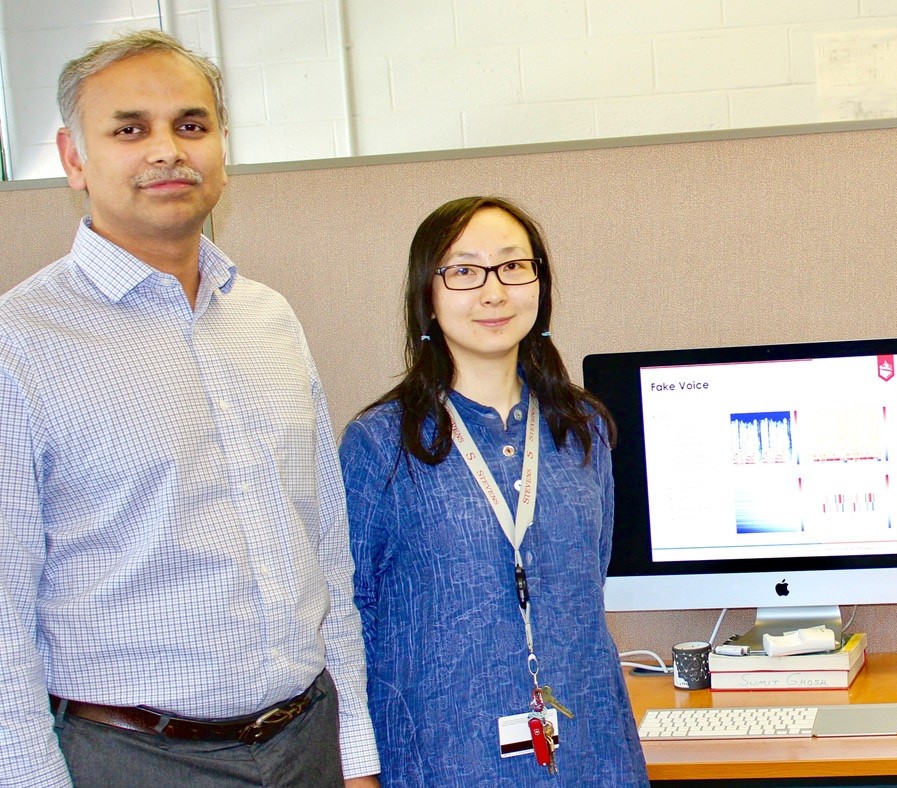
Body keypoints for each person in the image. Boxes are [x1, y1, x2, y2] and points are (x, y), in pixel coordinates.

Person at [0, 30, 379, 787]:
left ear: (222, 148)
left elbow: (326, 555)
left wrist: (355, 752)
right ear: (73, 159)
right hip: (134, 759)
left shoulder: (269, 320)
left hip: (306, 740)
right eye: (129, 129)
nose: (167, 149)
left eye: (192, 125)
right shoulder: (21, 344)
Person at [339, 196, 649, 785]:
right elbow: (348, 614)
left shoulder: (582, 430)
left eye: (513, 266)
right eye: (464, 271)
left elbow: (588, 587)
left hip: (593, 755)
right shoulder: (379, 444)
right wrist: (358, 771)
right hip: (443, 757)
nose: (494, 292)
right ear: (426, 295)